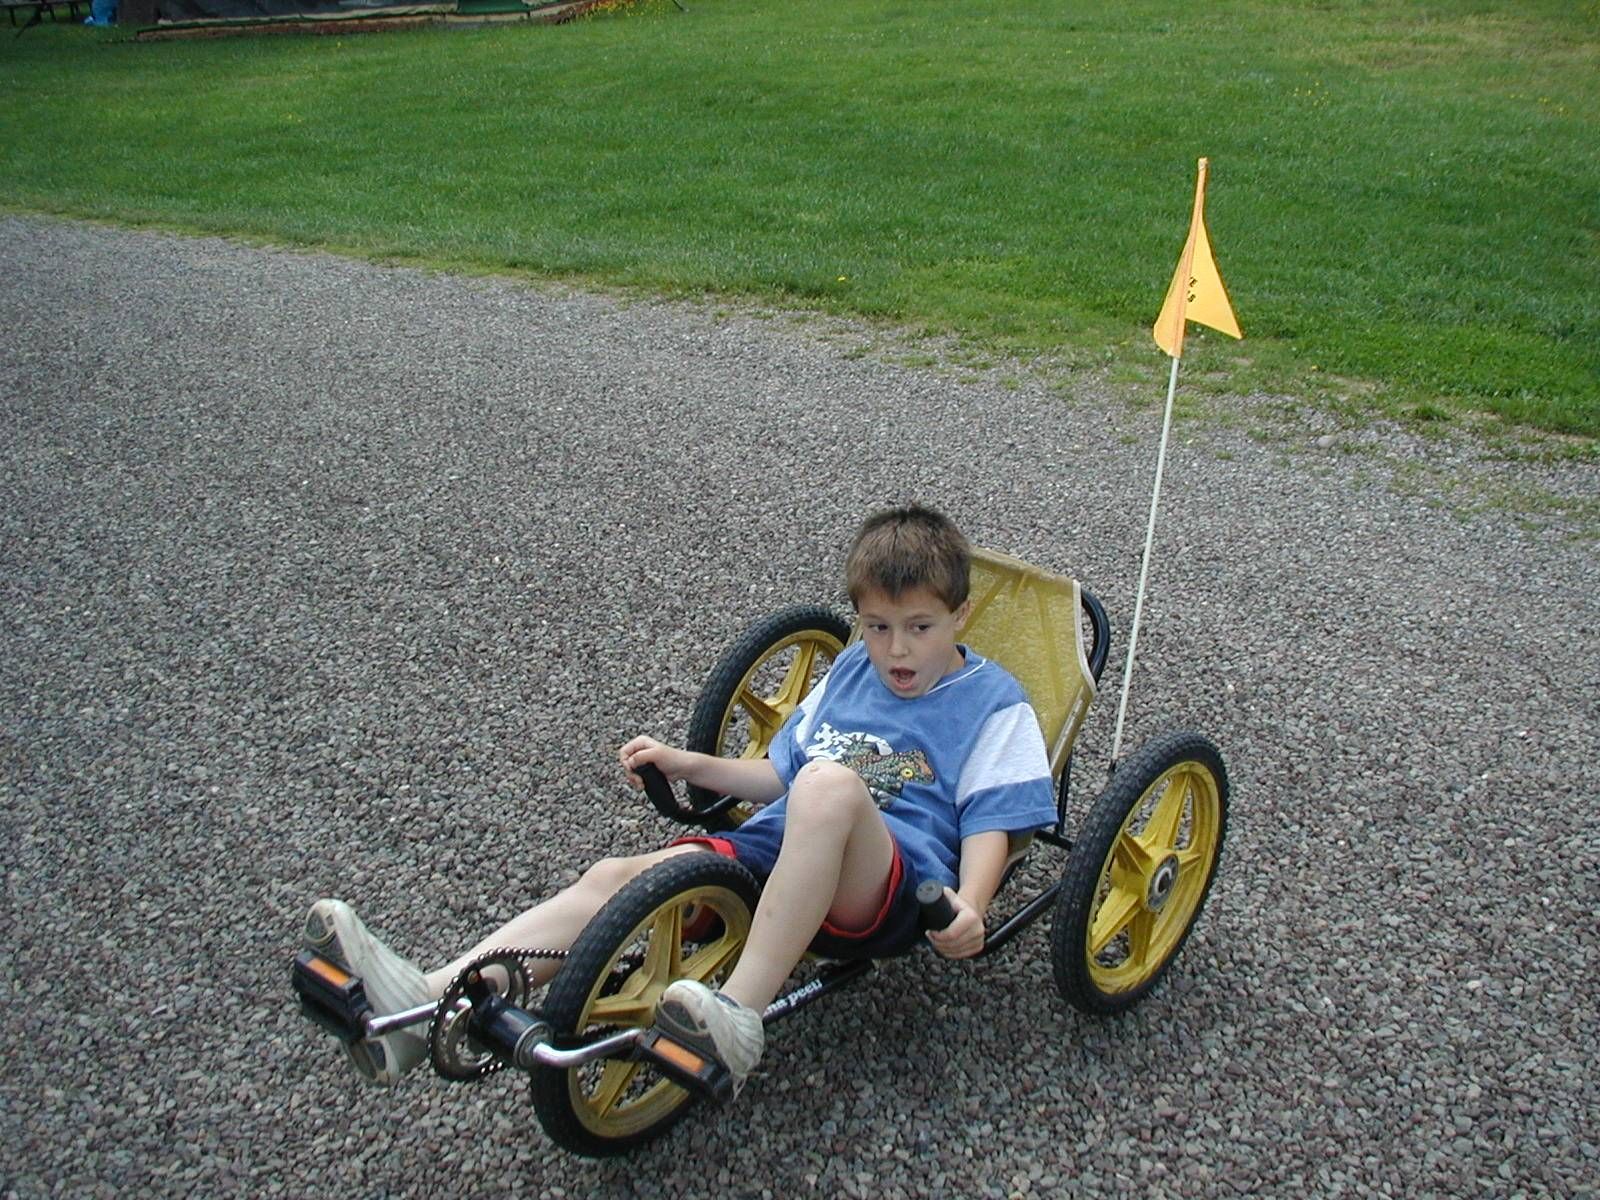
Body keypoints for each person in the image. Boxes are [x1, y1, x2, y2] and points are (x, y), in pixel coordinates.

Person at [303, 504, 1057, 1095]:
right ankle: (426, 1003)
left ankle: (740, 1014)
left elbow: (997, 817)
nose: (896, 650)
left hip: (887, 882)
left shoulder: (992, 701)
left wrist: (973, 906)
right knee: (612, 877)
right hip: (782, 850)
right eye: (877, 627)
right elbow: (780, 773)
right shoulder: (854, 669)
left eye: (919, 628)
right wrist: (689, 759)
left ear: (960, 616)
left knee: (830, 788)